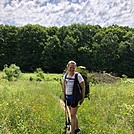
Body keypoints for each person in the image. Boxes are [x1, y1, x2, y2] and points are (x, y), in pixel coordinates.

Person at [63, 60, 85, 134]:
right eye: (70, 67)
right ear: (67, 67)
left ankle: (72, 132)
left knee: (72, 115)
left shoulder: (77, 76)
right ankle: (77, 128)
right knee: (73, 114)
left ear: (75, 68)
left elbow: (83, 86)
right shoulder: (65, 75)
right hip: (68, 97)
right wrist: (64, 96)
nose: (72, 69)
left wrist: (82, 97)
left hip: (75, 98)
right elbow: (64, 86)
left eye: (73, 67)